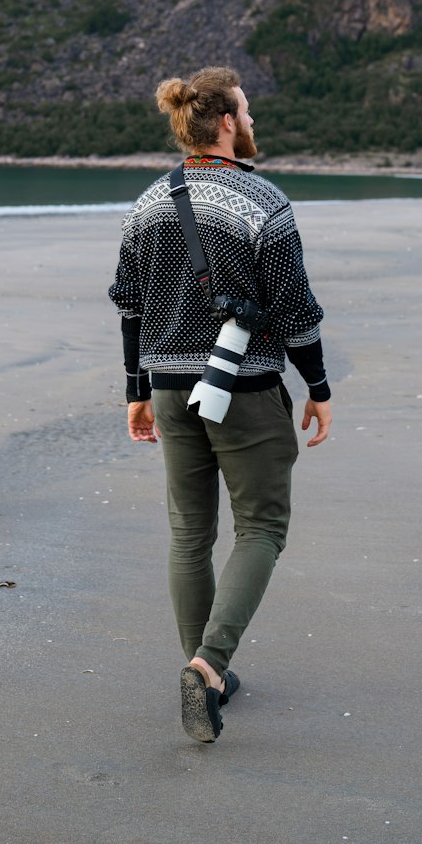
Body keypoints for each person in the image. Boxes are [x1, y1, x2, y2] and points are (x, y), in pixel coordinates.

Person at [108, 66, 331, 743]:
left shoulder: (147, 202)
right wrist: (318, 386)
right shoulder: (265, 201)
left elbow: (129, 304)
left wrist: (136, 390)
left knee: (189, 534)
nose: (254, 120)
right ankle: (207, 669)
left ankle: (202, 670)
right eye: (249, 110)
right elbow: (294, 309)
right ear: (227, 121)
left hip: (171, 391)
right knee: (261, 527)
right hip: (245, 391)